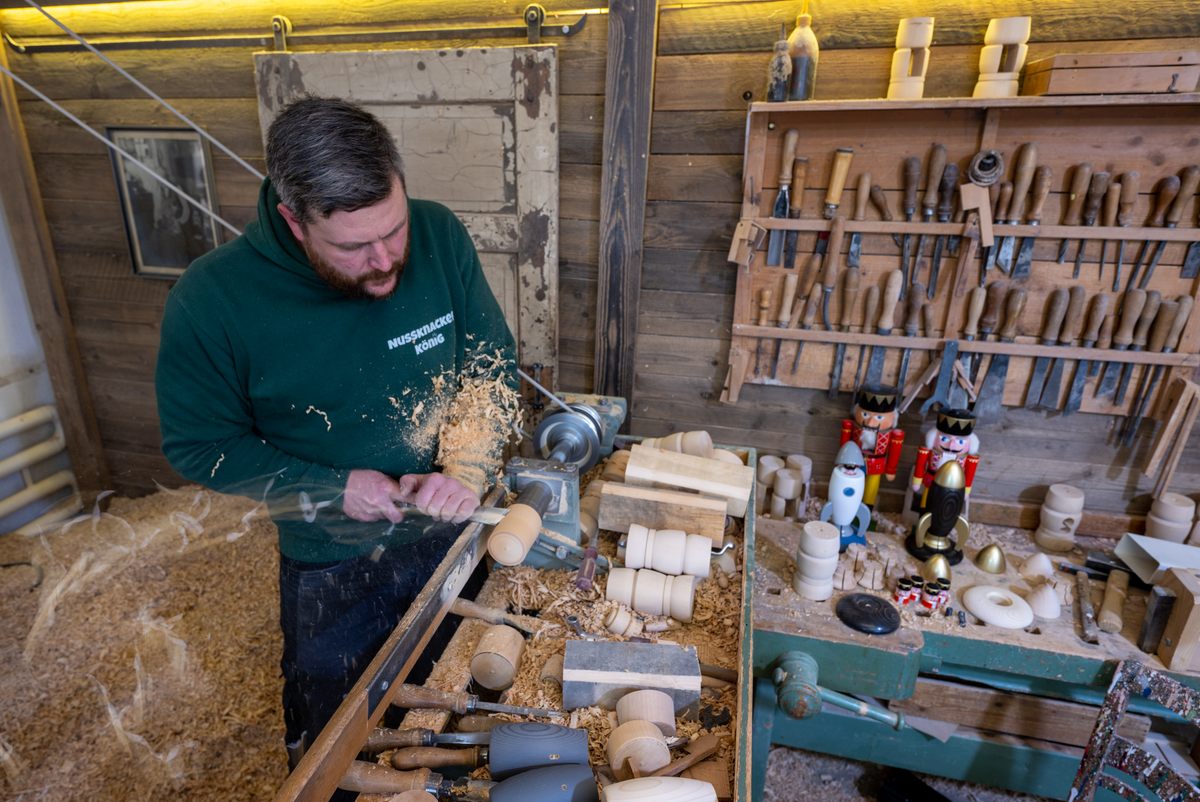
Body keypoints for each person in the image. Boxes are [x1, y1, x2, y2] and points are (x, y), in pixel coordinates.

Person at [155, 97, 518, 794]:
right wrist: (333, 487)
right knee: (340, 745)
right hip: (332, 564)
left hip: (453, 532)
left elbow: (488, 368)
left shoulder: (438, 236)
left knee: (465, 711)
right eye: (353, 247)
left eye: (394, 230)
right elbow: (201, 445)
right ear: (293, 220)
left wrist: (464, 468)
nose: (385, 263)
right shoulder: (213, 301)